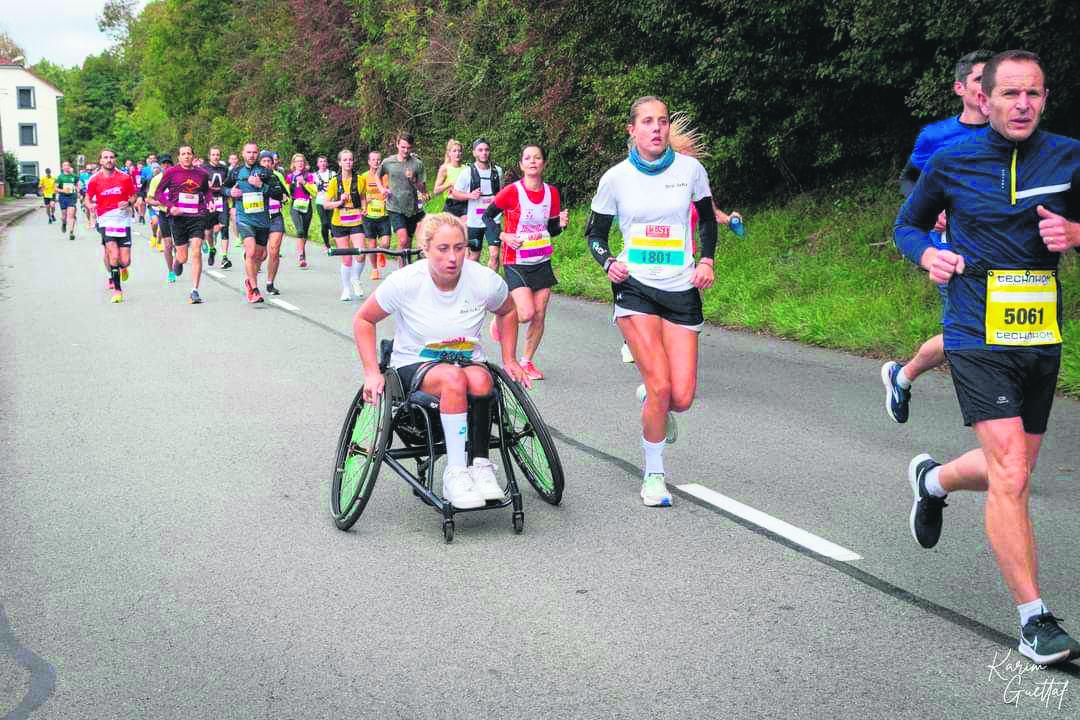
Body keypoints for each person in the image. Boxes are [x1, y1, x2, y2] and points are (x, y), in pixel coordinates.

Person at [894, 50, 1080, 665]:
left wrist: (1078, 235)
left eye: (1033, 93)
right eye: (1010, 94)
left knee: (1016, 466)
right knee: (1011, 474)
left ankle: (933, 479)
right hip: (974, 333)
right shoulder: (950, 160)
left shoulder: (1068, 156)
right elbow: (908, 227)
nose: (1022, 104)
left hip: (1038, 336)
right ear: (986, 99)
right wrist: (928, 256)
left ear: (1045, 99)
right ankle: (1035, 620)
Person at [587, 96, 720, 508]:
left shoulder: (690, 170)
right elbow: (594, 233)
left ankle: (654, 401)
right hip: (636, 287)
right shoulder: (615, 178)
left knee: (680, 397)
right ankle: (654, 475)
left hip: (681, 288)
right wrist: (608, 262)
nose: (656, 128)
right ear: (632, 130)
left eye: (662, 121)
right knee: (661, 384)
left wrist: (707, 260)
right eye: (647, 122)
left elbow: (708, 219)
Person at [352, 213, 530, 509]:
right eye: (443, 249)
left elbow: (509, 311)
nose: (453, 257)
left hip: (466, 360)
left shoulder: (484, 280)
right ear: (426, 249)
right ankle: (455, 472)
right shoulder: (406, 281)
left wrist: (510, 359)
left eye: (459, 248)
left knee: (483, 379)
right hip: (415, 364)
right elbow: (363, 320)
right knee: (453, 378)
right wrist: (372, 372)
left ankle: (481, 466)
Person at [882, 50, 994, 423]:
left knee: (977, 333)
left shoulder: (1012, 135)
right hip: (951, 250)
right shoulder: (938, 136)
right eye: (980, 79)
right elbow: (910, 179)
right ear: (960, 88)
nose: (988, 87)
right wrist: (933, 210)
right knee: (971, 332)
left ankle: (903, 375)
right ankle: (994, 418)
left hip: (1002, 252)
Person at [482, 144, 568, 380]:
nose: (532, 161)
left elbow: (550, 229)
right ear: (521, 165)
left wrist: (560, 225)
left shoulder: (552, 193)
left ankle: (527, 362)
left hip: (541, 260)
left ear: (544, 163)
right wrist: (503, 235)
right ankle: (502, 319)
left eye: (537, 158)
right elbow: (487, 216)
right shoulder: (512, 191)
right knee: (526, 313)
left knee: (540, 314)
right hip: (516, 260)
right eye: (527, 158)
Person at [224, 142, 283, 303]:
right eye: (248, 152)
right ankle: (255, 289)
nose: (251, 155)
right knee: (250, 252)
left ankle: (249, 280)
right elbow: (223, 188)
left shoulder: (266, 172)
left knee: (261, 255)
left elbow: (278, 194)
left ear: (258, 154)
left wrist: (261, 185)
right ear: (243, 153)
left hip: (262, 220)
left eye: (254, 152)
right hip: (244, 219)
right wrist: (231, 191)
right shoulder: (236, 171)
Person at [158, 145, 212, 304]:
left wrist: (210, 202)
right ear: (179, 157)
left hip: (197, 216)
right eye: (183, 154)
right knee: (183, 256)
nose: (187, 156)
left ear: (193, 156)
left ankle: (194, 290)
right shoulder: (171, 172)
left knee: (196, 251)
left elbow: (206, 191)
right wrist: (170, 207)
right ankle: (177, 261)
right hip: (178, 218)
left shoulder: (201, 173)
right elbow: (158, 193)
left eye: (189, 153)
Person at [86, 149, 137, 303]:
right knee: (113, 255)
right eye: (105, 157)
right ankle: (117, 290)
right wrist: (90, 206)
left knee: (125, 260)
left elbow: (134, 197)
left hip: (123, 219)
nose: (108, 160)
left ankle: (123, 267)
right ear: (100, 161)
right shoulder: (94, 180)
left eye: (111, 157)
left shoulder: (125, 178)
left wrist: (128, 202)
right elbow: (87, 199)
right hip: (106, 220)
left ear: (115, 160)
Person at [450, 138, 503, 266]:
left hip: (493, 218)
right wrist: (470, 195)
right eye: (480, 150)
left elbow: (502, 192)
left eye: (486, 150)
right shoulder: (467, 172)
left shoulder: (498, 171)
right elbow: (455, 193)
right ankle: (471, 282)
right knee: (474, 256)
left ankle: (490, 285)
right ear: (474, 153)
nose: (484, 153)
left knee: (495, 254)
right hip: (475, 220)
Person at [377, 132, 428, 265]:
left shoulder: (417, 164)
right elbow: (377, 176)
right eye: (403, 147)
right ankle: (402, 272)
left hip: (413, 209)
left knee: (411, 244)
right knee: (403, 240)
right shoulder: (388, 162)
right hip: (395, 207)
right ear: (397, 145)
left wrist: (413, 179)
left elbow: (423, 189)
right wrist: (382, 189)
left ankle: (408, 267)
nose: (406, 151)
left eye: (408, 148)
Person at [324, 149, 367, 301]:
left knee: (361, 253)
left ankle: (355, 278)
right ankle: (346, 289)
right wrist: (340, 201)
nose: (348, 162)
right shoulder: (334, 182)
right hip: (339, 222)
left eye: (350, 159)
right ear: (340, 162)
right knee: (347, 258)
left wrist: (364, 208)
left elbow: (362, 197)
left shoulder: (360, 179)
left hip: (356, 219)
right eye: (345, 160)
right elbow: (326, 204)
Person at [260, 151, 290, 295]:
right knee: (261, 254)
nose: (266, 164)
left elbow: (287, 196)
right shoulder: (253, 177)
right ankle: (252, 279)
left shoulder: (277, 176)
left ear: (273, 164)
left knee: (274, 250)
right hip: (259, 219)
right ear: (260, 163)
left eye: (269, 161)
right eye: (264, 161)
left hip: (276, 217)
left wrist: (284, 199)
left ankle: (270, 283)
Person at [359, 150, 391, 280]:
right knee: (371, 246)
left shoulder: (386, 176)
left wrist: (387, 195)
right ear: (369, 162)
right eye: (373, 160)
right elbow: (360, 195)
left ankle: (381, 253)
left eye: (378, 160)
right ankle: (374, 269)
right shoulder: (364, 177)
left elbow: (391, 190)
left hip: (384, 215)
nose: (376, 162)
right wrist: (364, 204)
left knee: (386, 244)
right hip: (369, 216)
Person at [147, 155, 177, 282]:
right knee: (168, 244)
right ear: (160, 165)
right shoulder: (156, 179)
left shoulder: (178, 177)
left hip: (178, 214)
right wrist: (159, 203)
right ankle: (171, 271)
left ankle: (179, 260)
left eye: (168, 163)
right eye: (163, 163)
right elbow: (149, 199)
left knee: (180, 245)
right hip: (164, 214)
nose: (166, 166)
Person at [286, 153, 317, 268]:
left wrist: (304, 183)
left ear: (305, 164)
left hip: (307, 206)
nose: (300, 163)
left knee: (304, 232)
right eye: (297, 161)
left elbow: (314, 193)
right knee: (299, 231)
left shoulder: (309, 176)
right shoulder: (289, 177)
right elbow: (286, 191)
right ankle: (301, 256)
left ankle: (302, 255)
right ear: (293, 164)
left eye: (302, 161)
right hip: (295, 206)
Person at [203, 147, 230, 268]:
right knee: (208, 231)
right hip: (209, 201)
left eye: (218, 154)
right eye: (213, 154)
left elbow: (229, 183)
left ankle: (224, 257)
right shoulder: (203, 168)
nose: (216, 157)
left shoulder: (224, 168)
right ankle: (212, 249)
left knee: (224, 227)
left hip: (222, 200)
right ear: (209, 156)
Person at [431, 139, 465, 214]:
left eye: (459, 151)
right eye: (454, 151)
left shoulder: (466, 168)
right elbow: (436, 191)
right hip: (451, 204)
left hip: (465, 204)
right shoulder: (445, 168)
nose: (457, 153)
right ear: (449, 153)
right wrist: (450, 184)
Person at [313, 155, 337, 250]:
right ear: (317, 164)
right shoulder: (314, 175)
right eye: (321, 161)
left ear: (327, 163)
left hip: (331, 202)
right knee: (324, 223)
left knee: (332, 223)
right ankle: (326, 244)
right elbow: (310, 187)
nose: (323, 163)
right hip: (320, 202)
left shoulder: (333, 173)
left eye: (324, 161)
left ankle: (335, 236)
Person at [55, 161, 79, 240]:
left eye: (67, 165)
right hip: (63, 197)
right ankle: (64, 223)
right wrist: (63, 191)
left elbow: (77, 185)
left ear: (69, 166)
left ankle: (71, 232)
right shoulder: (60, 177)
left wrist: (77, 189)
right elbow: (56, 188)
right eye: (64, 165)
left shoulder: (74, 176)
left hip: (72, 197)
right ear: (62, 168)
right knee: (64, 216)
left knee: (71, 215)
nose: (66, 167)